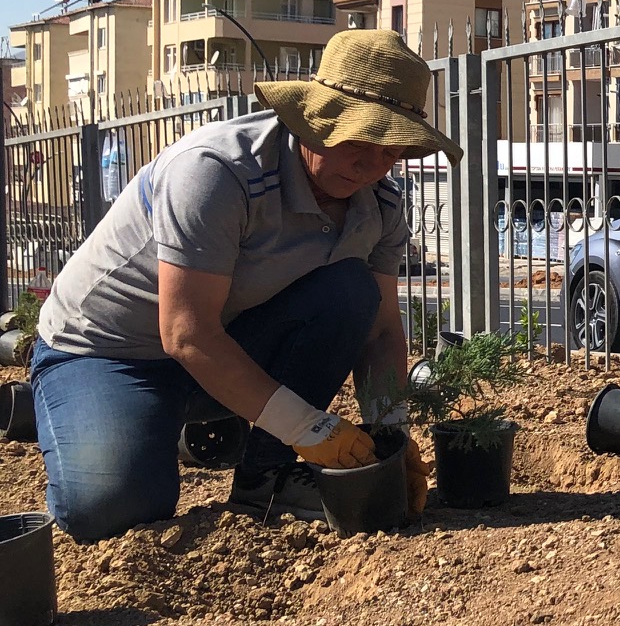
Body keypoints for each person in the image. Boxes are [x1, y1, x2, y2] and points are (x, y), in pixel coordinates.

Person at [29, 30, 458, 541]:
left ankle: (266, 480)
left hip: (223, 348)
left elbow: (382, 330)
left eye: (390, 148)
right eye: (357, 140)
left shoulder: (380, 205)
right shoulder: (217, 173)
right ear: (312, 120)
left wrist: (390, 428)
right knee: (114, 510)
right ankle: (74, 410)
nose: (372, 164)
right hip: (107, 353)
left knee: (351, 292)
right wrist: (308, 429)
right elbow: (185, 334)